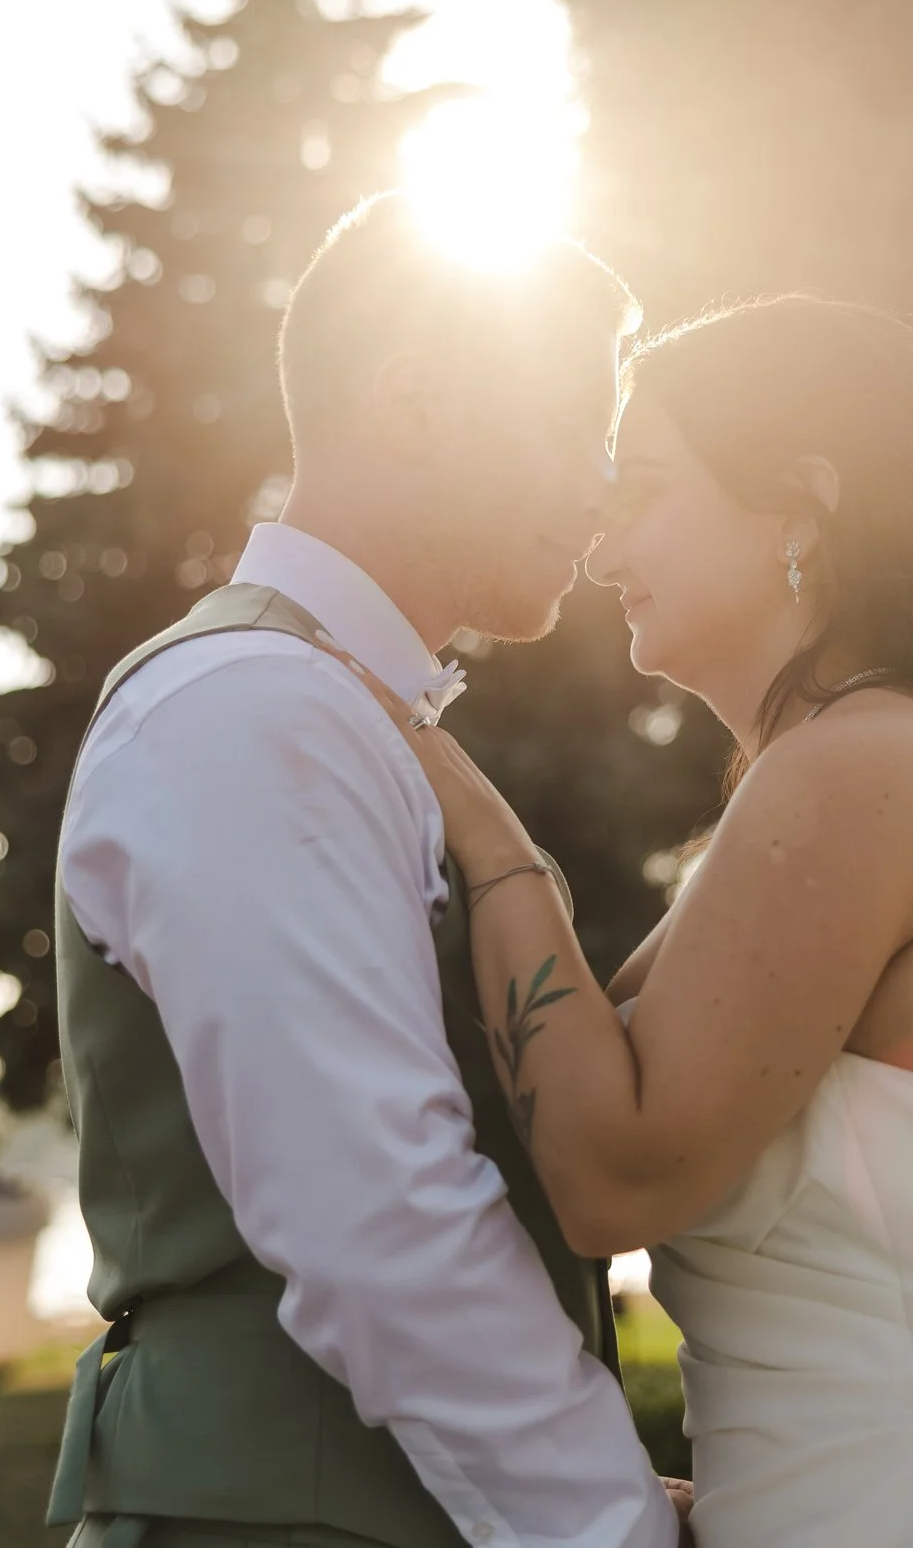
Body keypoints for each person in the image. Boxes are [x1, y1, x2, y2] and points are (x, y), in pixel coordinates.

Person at [338, 295, 913, 1547]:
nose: (601, 550)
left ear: (799, 505)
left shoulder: (865, 768)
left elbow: (616, 1172)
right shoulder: (830, 772)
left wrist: (492, 842)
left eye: (640, 489)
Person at [44, 193, 690, 1548]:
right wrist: (614, 1524)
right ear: (413, 399)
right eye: (580, 425)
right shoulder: (249, 706)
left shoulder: (330, 710)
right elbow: (375, 1215)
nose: (601, 484)